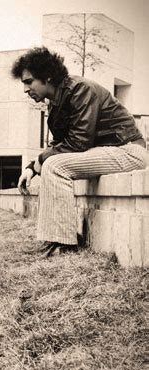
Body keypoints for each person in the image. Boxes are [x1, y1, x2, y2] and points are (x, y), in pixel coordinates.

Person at [11, 47, 147, 257]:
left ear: (47, 76)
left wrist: (39, 162)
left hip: (128, 151)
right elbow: (58, 146)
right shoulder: (56, 103)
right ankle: (52, 239)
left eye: (29, 82)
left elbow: (77, 142)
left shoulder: (80, 89)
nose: (25, 89)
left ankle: (65, 244)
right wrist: (32, 168)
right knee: (51, 164)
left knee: (55, 166)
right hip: (108, 151)